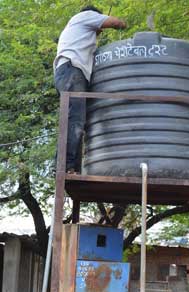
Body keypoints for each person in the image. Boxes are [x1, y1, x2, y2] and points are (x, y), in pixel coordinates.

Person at [54, 5, 126, 173]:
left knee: (75, 120)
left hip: (67, 73)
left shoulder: (78, 33)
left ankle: (70, 167)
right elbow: (114, 22)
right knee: (75, 121)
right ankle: (65, 166)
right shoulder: (85, 16)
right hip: (72, 71)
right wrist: (122, 24)